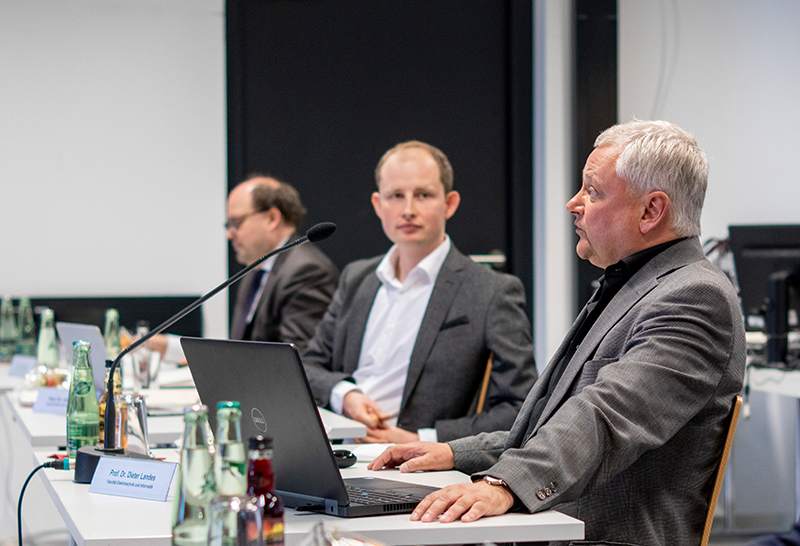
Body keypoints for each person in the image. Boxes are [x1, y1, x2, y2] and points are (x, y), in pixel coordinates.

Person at [368, 121, 746, 546]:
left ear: (650, 211)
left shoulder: (694, 297)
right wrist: (455, 453)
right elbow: (551, 424)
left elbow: (605, 417)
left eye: (593, 191)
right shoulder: (633, 284)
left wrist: (504, 486)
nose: (573, 203)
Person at [302, 140, 538, 444]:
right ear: (378, 205)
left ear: (449, 203)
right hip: (339, 453)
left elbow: (518, 407)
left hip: (421, 464)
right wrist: (345, 394)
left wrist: (421, 440)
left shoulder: (492, 291)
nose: (408, 210)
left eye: (423, 195)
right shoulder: (357, 277)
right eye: (396, 196)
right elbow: (308, 366)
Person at [151, 176, 339, 360]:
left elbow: (296, 360)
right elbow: (240, 350)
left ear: (272, 218)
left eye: (236, 223)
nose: (229, 234)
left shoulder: (306, 271)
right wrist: (170, 347)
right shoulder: (256, 270)